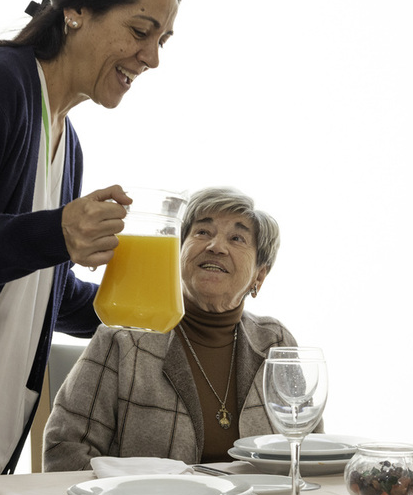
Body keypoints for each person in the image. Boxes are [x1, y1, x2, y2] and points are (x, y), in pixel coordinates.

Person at [0, 0, 182, 495]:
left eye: (163, 40)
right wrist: (56, 232)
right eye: (140, 31)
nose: (151, 58)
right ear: (74, 9)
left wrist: (132, 300)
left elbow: (26, 289)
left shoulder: (66, 142)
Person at [43, 187, 314, 470]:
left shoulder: (275, 342)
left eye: (237, 238)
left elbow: (307, 451)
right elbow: (65, 453)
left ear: (260, 274)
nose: (216, 246)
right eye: (202, 233)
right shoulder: (123, 338)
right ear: (177, 252)